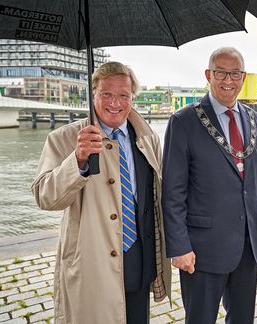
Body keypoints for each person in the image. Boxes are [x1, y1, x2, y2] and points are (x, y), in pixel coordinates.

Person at [31, 61, 171, 323]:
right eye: (106, 94)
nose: (115, 103)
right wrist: (78, 160)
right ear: (93, 94)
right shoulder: (64, 138)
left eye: (123, 95)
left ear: (132, 97)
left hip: (141, 258)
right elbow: (45, 197)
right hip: (92, 265)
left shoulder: (147, 137)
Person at [162, 47, 257, 323]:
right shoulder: (184, 122)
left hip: (247, 246)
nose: (228, 81)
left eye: (235, 74)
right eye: (220, 73)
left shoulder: (254, 119)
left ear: (243, 77)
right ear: (208, 75)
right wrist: (179, 246)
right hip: (202, 249)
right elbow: (172, 192)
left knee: (243, 318)